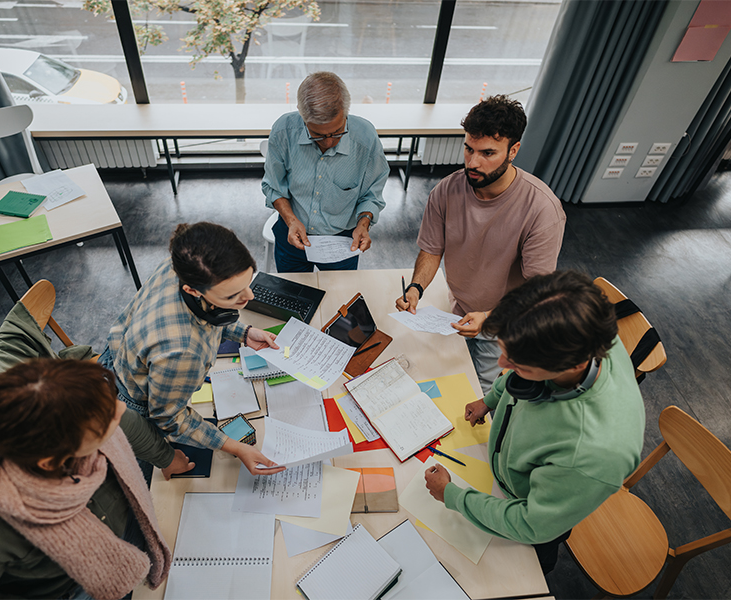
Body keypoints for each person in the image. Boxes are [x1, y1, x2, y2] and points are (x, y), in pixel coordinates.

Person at [423, 271, 645, 574]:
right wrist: (490, 400)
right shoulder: (580, 326)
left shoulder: (592, 455)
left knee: (521, 571)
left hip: (529, 516)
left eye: (518, 365)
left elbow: (532, 524)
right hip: (505, 472)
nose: (502, 366)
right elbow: (516, 375)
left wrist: (453, 496)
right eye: (504, 351)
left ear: (573, 365)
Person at [0, 359, 193, 599]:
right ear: (52, 461)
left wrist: (167, 459)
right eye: (104, 421)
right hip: (72, 589)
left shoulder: (73, 408)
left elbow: (128, 422)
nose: (120, 408)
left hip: (129, 529)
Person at [395, 95, 566, 396]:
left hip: (502, 321)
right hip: (455, 309)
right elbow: (432, 249)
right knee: (443, 381)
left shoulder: (542, 209)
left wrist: (488, 317)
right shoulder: (447, 189)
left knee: (481, 393)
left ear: (513, 150)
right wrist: (415, 289)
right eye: (469, 149)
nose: (473, 163)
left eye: (487, 153)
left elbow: (537, 290)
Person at [100, 222, 285, 480]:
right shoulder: (183, 352)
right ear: (193, 291)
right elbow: (169, 418)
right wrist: (234, 446)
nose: (250, 296)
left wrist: (243, 333)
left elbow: (205, 316)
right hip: (133, 407)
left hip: (114, 360)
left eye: (248, 281)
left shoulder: (180, 264)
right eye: (233, 296)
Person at [262, 71, 389, 272]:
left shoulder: (365, 138)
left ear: (346, 113)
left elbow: (372, 194)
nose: (329, 142)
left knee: (340, 299)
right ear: (302, 117)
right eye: (317, 135)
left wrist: (363, 224)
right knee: (292, 298)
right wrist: (291, 220)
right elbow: (273, 187)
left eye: (338, 132)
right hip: (291, 233)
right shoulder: (283, 131)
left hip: (343, 241)